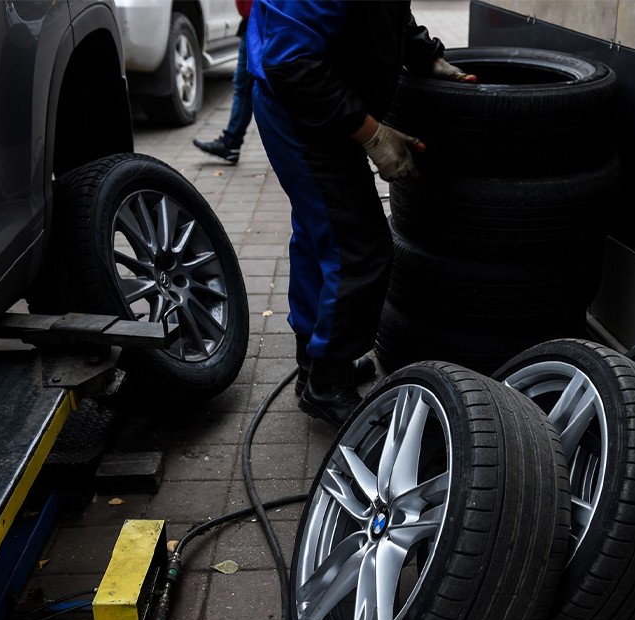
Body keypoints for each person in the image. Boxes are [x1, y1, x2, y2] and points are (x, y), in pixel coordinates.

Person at [248, 0, 475, 427]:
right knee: (359, 247)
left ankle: (313, 364)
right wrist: (371, 133)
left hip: (328, 93)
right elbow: (291, 64)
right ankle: (326, 385)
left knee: (321, 233)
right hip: (294, 108)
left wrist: (428, 56)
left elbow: (384, 15)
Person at [193, 0, 254, 163]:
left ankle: (231, 142)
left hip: (263, 21)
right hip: (253, 21)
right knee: (244, 86)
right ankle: (231, 142)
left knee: (249, 87)